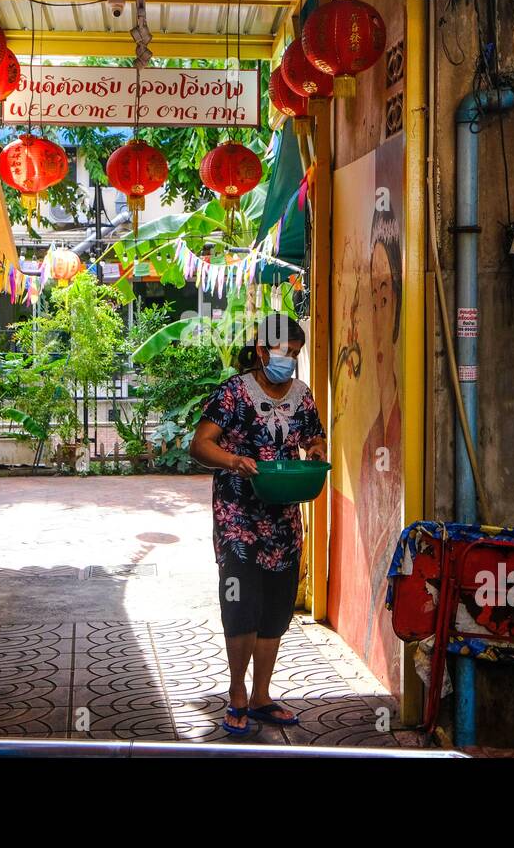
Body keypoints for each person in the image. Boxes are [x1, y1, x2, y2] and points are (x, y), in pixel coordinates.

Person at [189, 314, 327, 735]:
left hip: (283, 517)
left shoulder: (302, 398)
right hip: (238, 519)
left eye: (297, 355)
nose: (291, 362)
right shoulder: (232, 394)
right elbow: (200, 445)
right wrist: (233, 461)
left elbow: (314, 439)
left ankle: (263, 695)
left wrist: (316, 449)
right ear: (263, 351)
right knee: (241, 604)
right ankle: (237, 695)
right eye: (286, 353)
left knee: (276, 609)